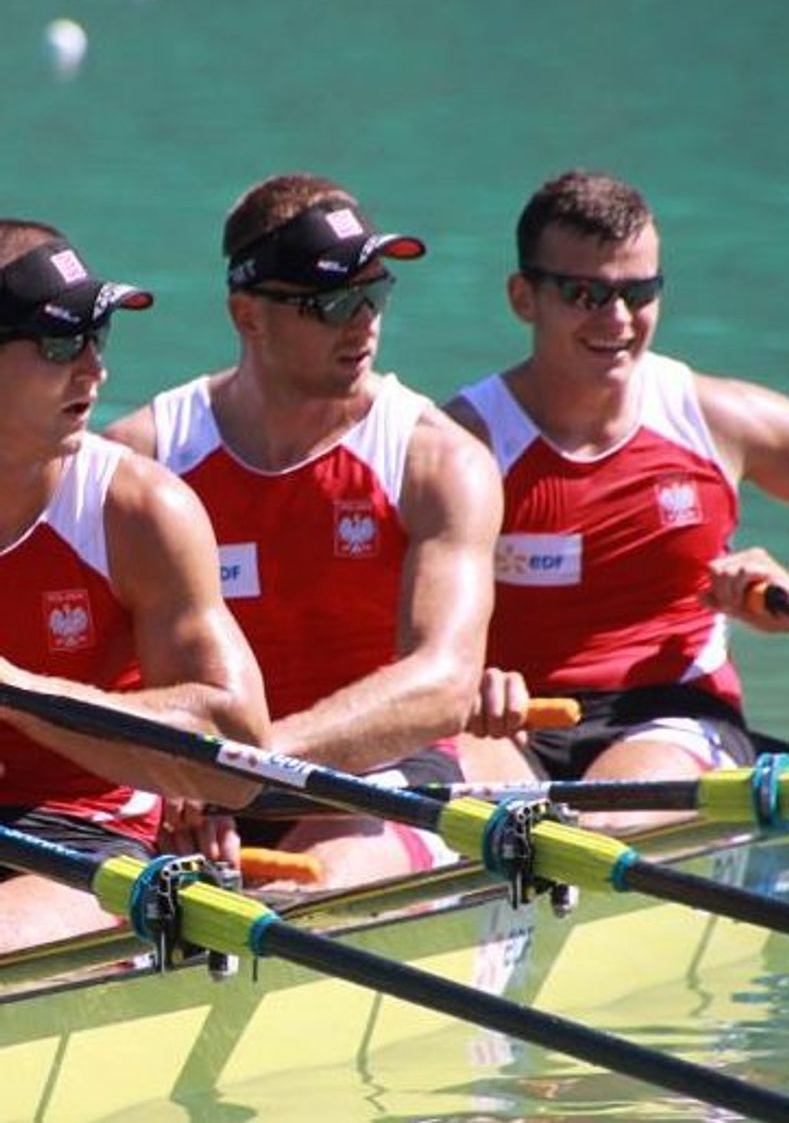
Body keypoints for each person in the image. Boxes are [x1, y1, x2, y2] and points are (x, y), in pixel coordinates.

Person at [445, 169, 789, 829]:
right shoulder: (461, 444)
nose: (616, 319)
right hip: (506, 720)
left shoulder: (715, 419)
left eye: (638, 292)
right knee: (460, 810)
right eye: (584, 293)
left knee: (600, 823)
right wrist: (451, 677)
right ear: (524, 297)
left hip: (670, 715)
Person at [106, 174, 525, 889]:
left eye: (375, 293)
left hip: (376, 772)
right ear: (248, 315)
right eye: (331, 303)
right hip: (193, 790)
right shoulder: (146, 457)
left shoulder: (436, 459)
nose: (363, 322)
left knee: (312, 882)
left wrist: (245, 758)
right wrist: (170, 768)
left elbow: (441, 683)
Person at [0, 220, 271, 951]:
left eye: (99, 338)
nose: (95, 370)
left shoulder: (139, 512)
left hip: (80, 835)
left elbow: (239, 752)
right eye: (62, 344)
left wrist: (18, 692)